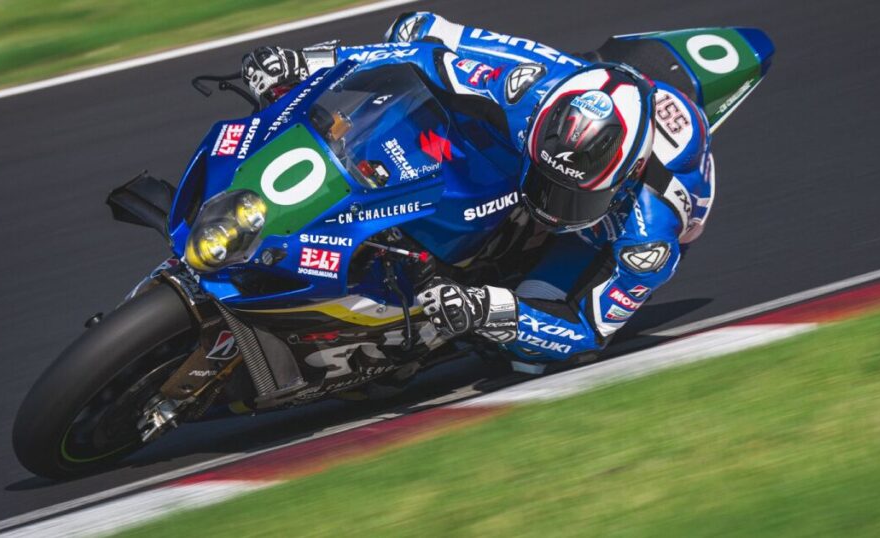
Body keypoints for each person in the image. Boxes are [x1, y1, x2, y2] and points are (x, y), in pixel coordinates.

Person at [241, 12, 715, 371]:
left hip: (594, 237)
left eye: (571, 196)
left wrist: (491, 312)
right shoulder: (524, 88)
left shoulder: (650, 231)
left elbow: (587, 329)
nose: (551, 208)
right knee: (412, 34)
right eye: (548, 184)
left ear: (627, 176)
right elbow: (419, 47)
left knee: (527, 359)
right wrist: (307, 63)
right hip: (536, 124)